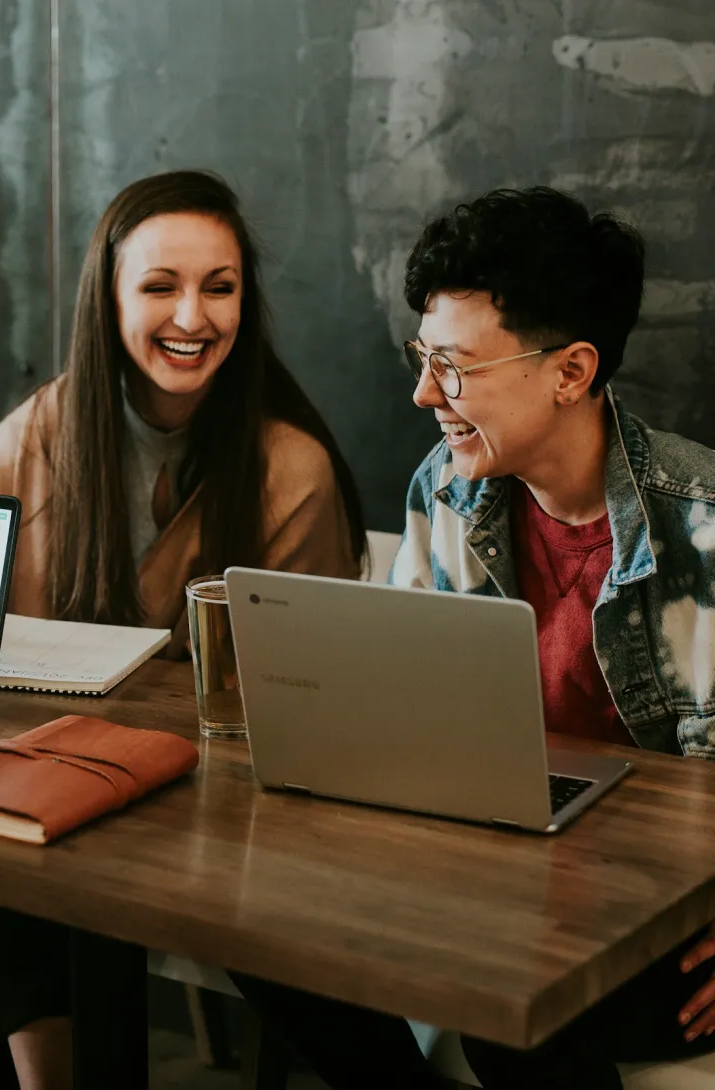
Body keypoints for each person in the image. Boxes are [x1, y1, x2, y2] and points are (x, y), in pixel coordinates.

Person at [234, 186, 715, 1089]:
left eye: (454, 366)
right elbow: (396, 713)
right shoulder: (446, 490)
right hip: (490, 877)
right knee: (253, 927)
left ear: (571, 372)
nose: (423, 394)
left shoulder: (705, 528)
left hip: (654, 923)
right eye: (423, 357)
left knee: (508, 1000)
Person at [0, 169, 367, 1090]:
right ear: (110, 298)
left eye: (220, 287)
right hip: (57, 783)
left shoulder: (288, 467)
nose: (193, 316)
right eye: (160, 286)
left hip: (217, 816)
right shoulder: (55, 422)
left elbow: (306, 699)